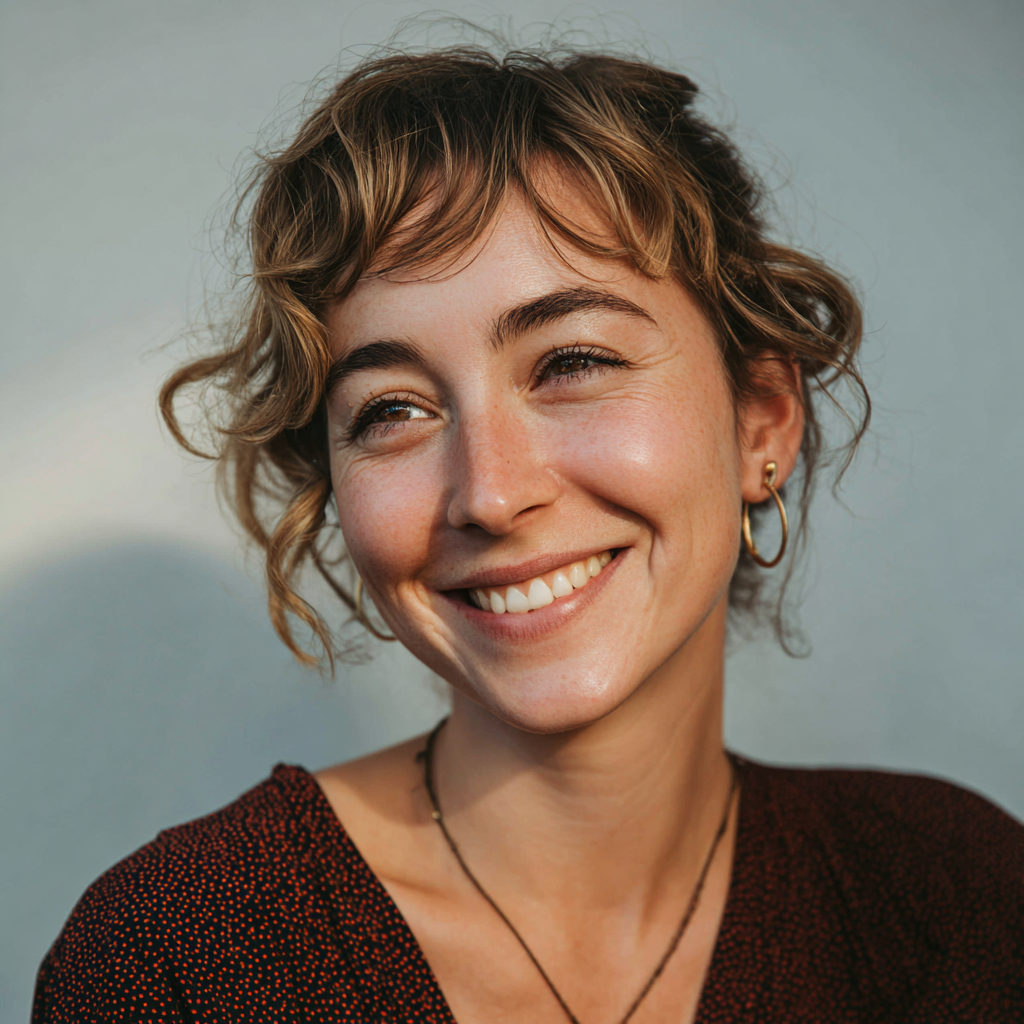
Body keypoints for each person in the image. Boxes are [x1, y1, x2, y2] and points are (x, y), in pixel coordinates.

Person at [33, 43, 1023, 1024]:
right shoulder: (169, 959)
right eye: (392, 410)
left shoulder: (960, 897)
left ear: (760, 420)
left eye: (571, 362)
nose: (490, 494)